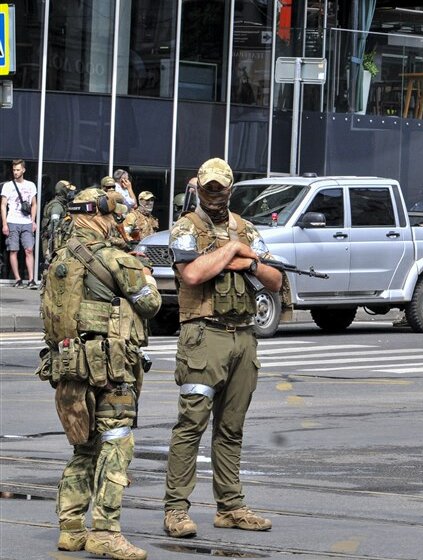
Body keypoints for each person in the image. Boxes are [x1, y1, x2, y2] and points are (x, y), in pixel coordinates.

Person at [163, 158, 282, 538]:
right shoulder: (185, 227)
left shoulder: (246, 229)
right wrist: (234, 252)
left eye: (220, 188)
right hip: (204, 335)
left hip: (243, 336)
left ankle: (230, 506)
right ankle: (176, 510)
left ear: (230, 189)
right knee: (191, 424)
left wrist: (246, 262)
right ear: (198, 187)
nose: (214, 195)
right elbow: (193, 273)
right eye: (208, 188)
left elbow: (275, 279)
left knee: (231, 428)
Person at [39, 187, 160, 560]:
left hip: (70, 365)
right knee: (117, 441)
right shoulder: (112, 258)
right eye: (113, 216)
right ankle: (106, 530)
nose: (116, 222)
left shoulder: (60, 260)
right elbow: (150, 303)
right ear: (100, 216)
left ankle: (71, 528)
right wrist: (146, 276)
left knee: (84, 446)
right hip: (110, 367)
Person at [2, 159, 40, 288]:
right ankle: (18, 279)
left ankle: (31, 280)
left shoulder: (31, 185)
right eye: (14, 170)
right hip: (12, 220)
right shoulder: (8, 186)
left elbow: (34, 204)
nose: (15, 172)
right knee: (13, 250)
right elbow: (3, 205)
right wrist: (4, 224)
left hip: (27, 221)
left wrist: (33, 221)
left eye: (18, 170)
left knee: (29, 249)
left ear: (23, 170)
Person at [41, 180, 76, 265]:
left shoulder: (63, 204)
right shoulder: (57, 206)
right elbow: (54, 227)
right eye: (69, 190)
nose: (71, 193)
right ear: (63, 191)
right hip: (54, 245)